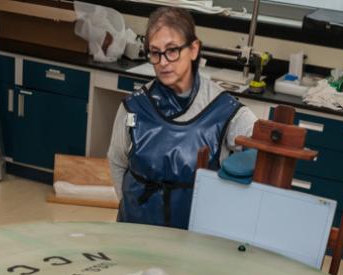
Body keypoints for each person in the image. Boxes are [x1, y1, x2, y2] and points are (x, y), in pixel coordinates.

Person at [108, 7, 257, 230]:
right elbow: (117, 162)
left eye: (172, 50)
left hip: (193, 242)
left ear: (194, 49)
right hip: (135, 232)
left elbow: (263, 158)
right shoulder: (133, 107)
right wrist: (131, 207)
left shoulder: (228, 112)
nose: (163, 62)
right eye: (155, 52)